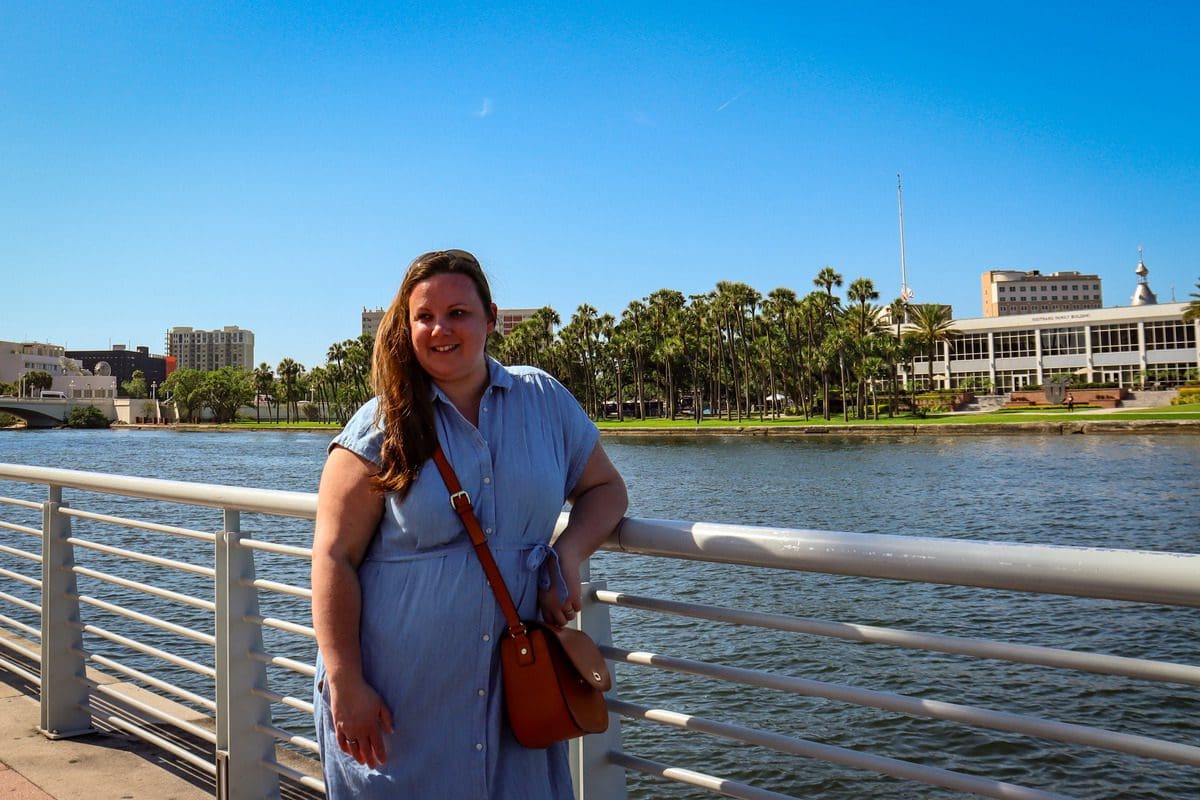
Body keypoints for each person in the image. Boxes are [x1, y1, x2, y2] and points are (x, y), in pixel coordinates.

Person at [311, 249, 627, 799]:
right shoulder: (380, 425)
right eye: (425, 317)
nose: (440, 329)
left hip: (512, 697)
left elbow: (606, 489)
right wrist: (345, 683)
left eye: (458, 313)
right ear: (406, 328)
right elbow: (332, 557)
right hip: (396, 707)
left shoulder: (544, 401)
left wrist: (569, 552)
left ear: (491, 318)